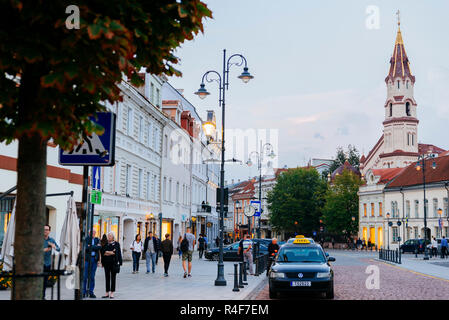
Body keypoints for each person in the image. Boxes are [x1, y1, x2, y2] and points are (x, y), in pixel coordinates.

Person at [100, 232, 122, 299]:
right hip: (106, 263)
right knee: (107, 278)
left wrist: (120, 262)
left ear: (113, 237)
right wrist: (111, 252)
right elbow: (103, 253)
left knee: (113, 278)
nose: (109, 237)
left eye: (110, 236)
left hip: (114, 263)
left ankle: (112, 292)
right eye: (108, 236)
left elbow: (117, 253)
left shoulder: (116, 244)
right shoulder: (105, 244)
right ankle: (107, 292)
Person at [43, 224, 60, 299]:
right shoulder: (39, 239)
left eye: (47, 230)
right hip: (40, 264)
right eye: (44, 229)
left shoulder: (51, 240)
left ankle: (42, 296)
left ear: (49, 231)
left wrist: (54, 246)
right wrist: (44, 250)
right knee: (39, 280)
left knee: (45, 282)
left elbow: (59, 249)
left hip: (48, 263)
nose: (45, 231)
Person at [83, 229, 101, 298]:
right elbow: (86, 248)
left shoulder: (97, 239)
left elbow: (99, 247)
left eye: (94, 232)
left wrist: (91, 246)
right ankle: (84, 292)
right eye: (92, 232)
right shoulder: (86, 239)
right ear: (89, 233)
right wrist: (94, 247)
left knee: (92, 276)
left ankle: (91, 292)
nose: (93, 233)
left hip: (94, 259)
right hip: (87, 259)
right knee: (85, 276)